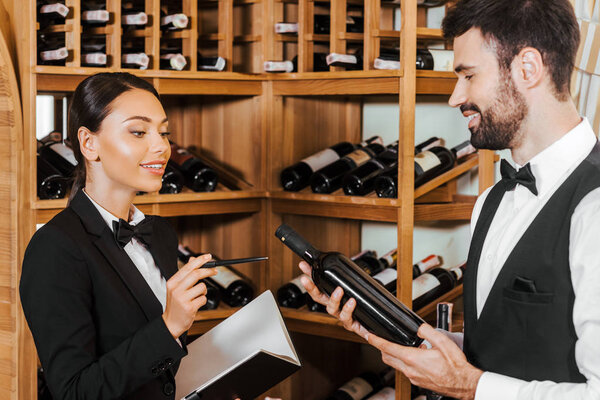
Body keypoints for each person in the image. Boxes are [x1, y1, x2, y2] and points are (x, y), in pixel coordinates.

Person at [298, 0, 600, 399]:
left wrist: (469, 386)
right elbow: (500, 350)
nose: (455, 98)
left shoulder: (594, 207)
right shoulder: (491, 202)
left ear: (528, 68)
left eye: (468, 76)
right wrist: (379, 325)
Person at [20, 72, 218, 399]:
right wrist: (169, 326)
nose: (161, 146)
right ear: (89, 144)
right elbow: (73, 393)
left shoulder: (161, 234)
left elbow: (162, 369)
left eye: (163, 132)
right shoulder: (54, 248)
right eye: (139, 132)